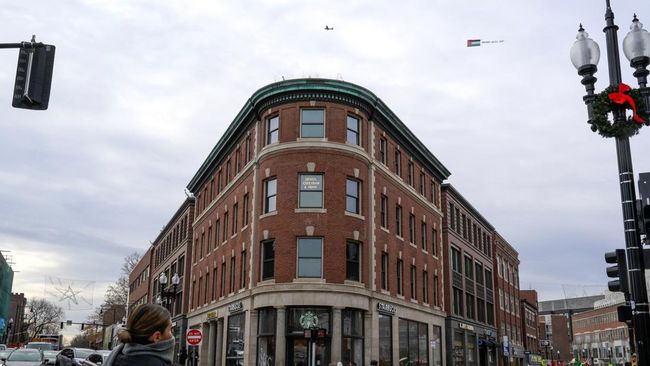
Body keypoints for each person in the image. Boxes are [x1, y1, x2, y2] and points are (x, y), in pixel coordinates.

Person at [103, 304, 175, 366]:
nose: (172, 334)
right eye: (170, 329)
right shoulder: (157, 363)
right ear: (157, 336)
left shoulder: (116, 358)